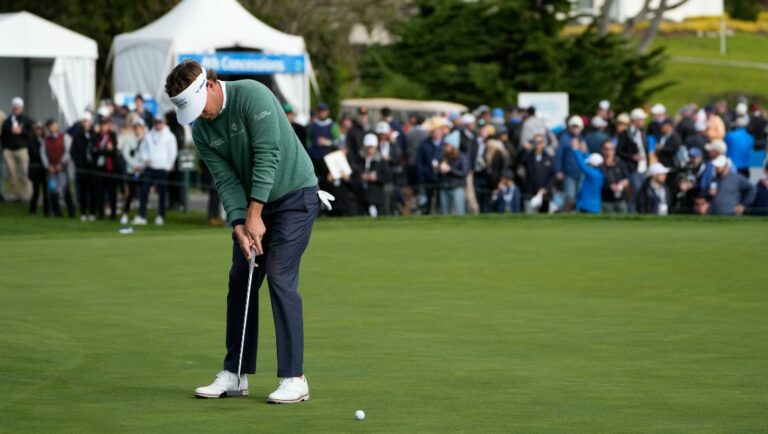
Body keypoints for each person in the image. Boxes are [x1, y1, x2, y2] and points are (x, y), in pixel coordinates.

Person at [166, 60, 327, 402]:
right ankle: (236, 374)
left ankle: (294, 378)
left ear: (209, 85)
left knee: (280, 276)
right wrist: (239, 223)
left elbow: (267, 155)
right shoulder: (201, 129)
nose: (200, 116)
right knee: (242, 278)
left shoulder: (253, 95)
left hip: (296, 197)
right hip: (257, 206)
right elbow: (225, 179)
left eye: (200, 108)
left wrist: (255, 214)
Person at [132, 115, 178, 226]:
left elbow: (173, 152)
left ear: (164, 123)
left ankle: (161, 216)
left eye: (160, 122)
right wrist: (145, 159)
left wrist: (168, 166)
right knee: (143, 191)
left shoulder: (169, 136)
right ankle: (142, 216)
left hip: (162, 168)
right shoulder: (149, 134)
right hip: (150, 167)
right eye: (156, 122)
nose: (158, 124)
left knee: (162, 194)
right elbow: (143, 149)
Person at [41, 119, 76, 218]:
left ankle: (71, 212)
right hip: (51, 169)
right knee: (52, 191)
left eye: (54, 125)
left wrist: (61, 164)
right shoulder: (46, 140)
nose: (53, 127)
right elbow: (43, 154)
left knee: (65, 191)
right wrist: (48, 166)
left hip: (62, 169)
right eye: (50, 126)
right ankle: (57, 213)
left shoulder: (65, 137)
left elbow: (68, 151)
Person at [1, 97, 32, 202]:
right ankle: (15, 194)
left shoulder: (27, 120)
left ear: (21, 108)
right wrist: (4, 147)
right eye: (14, 107)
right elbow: (3, 134)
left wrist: (21, 132)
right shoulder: (8, 120)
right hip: (8, 150)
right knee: (12, 173)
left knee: (25, 172)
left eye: (17, 108)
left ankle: (27, 194)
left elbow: (32, 134)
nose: (15, 109)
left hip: (22, 149)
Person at [617, 108, 649, 212]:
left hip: (643, 167)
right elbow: (619, 152)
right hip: (633, 168)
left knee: (642, 193)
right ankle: (633, 212)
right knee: (636, 192)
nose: (643, 122)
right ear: (635, 120)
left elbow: (645, 150)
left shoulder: (642, 133)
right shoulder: (625, 134)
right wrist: (632, 156)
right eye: (641, 119)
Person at [416, 117, 447, 214]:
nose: (435, 133)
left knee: (442, 203)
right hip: (428, 178)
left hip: (443, 179)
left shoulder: (446, 144)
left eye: (436, 130)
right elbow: (420, 163)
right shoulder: (424, 144)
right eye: (433, 130)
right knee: (427, 204)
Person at [555, 116, 587, 212]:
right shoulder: (564, 139)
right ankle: (565, 214)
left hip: (581, 173)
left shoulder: (582, 139)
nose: (575, 129)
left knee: (578, 197)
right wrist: (558, 170)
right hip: (569, 173)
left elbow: (586, 157)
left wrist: (584, 151)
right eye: (573, 127)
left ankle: (575, 216)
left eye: (577, 127)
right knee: (570, 197)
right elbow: (558, 156)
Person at [91, 116, 120, 220]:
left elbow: (114, 152)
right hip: (99, 169)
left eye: (105, 124)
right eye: (102, 125)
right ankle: (101, 214)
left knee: (112, 192)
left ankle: (113, 214)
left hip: (110, 169)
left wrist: (102, 151)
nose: (104, 127)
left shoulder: (112, 136)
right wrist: (105, 151)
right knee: (100, 192)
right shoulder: (96, 136)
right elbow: (93, 151)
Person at [119, 117, 146, 224]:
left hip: (143, 170)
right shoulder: (128, 139)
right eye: (136, 127)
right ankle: (125, 213)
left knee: (143, 193)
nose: (138, 129)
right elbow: (125, 154)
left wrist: (141, 166)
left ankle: (141, 215)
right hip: (132, 170)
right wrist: (135, 165)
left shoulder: (147, 139)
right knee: (130, 193)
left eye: (140, 127)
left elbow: (147, 154)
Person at [70, 112, 96, 221]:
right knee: (83, 191)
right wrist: (78, 163)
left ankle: (92, 212)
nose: (87, 124)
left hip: (92, 168)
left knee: (92, 191)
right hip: (82, 168)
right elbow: (73, 151)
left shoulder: (93, 134)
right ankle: (83, 212)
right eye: (85, 121)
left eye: (88, 121)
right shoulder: (78, 134)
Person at [520, 134, 555, 213]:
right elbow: (519, 161)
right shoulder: (528, 156)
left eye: (540, 142)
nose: (538, 144)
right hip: (530, 193)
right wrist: (524, 149)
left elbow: (552, 175)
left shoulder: (549, 158)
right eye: (536, 142)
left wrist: (546, 188)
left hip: (544, 195)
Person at [439, 130, 469, 215]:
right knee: (445, 212)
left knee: (459, 211)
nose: (445, 147)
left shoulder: (462, 157)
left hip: (457, 187)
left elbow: (464, 173)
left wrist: (450, 170)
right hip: (444, 186)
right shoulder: (443, 156)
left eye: (447, 145)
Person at [360, 133, 389, 217]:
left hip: (377, 196)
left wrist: (376, 178)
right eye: (368, 147)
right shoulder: (359, 160)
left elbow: (387, 177)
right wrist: (362, 177)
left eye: (371, 147)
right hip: (362, 197)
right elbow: (354, 175)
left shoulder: (381, 161)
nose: (369, 149)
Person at [600, 140, 629, 214]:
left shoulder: (620, 163)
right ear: (602, 150)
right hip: (606, 199)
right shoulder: (600, 165)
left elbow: (627, 177)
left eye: (611, 149)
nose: (608, 151)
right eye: (606, 149)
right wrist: (609, 186)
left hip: (620, 198)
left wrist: (623, 182)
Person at [28, 121, 49, 216]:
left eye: (41, 129)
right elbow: (34, 153)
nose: (39, 131)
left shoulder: (45, 140)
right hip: (35, 168)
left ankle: (46, 212)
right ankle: (33, 211)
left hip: (44, 169)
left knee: (46, 191)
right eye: (37, 129)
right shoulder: (31, 140)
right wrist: (44, 157)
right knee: (36, 190)